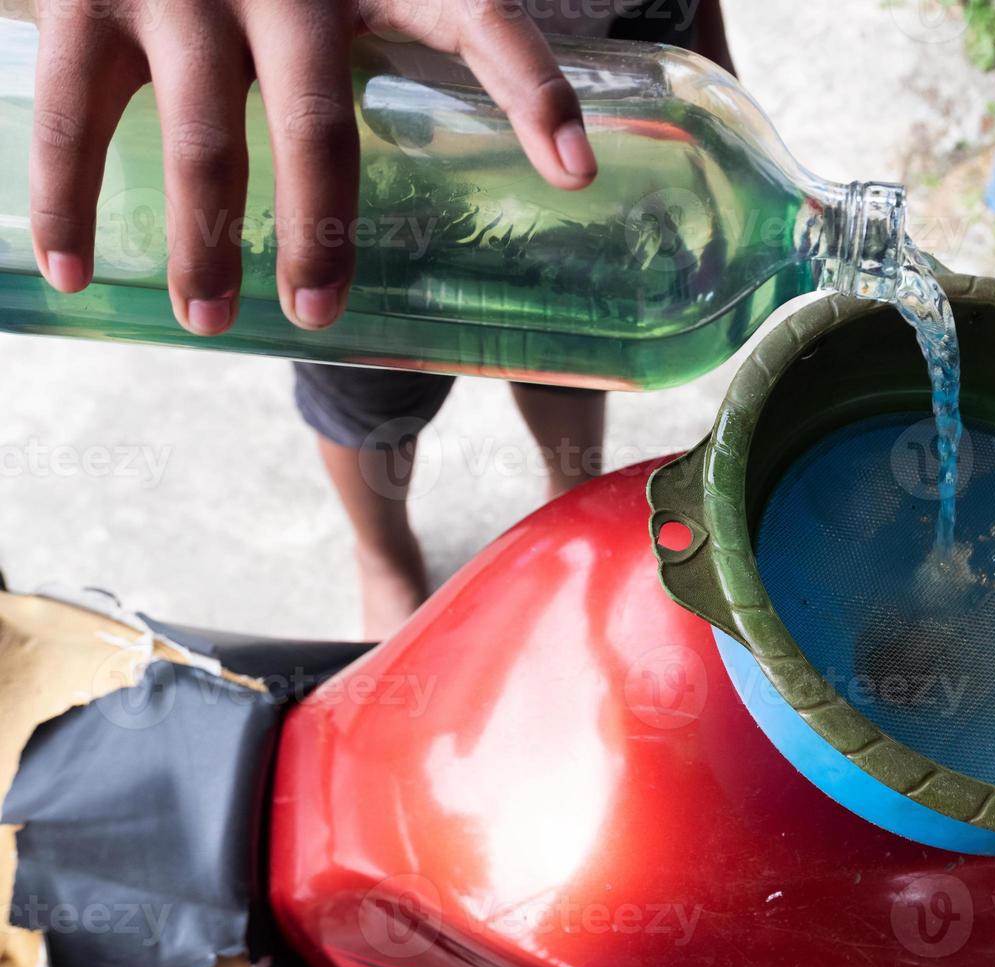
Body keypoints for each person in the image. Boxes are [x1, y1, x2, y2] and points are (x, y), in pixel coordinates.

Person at [27, 0, 734, 638]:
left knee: (577, 333)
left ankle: (568, 490)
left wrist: (710, 64)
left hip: (603, 74)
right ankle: (385, 552)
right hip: (370, 129)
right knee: (364, 391)